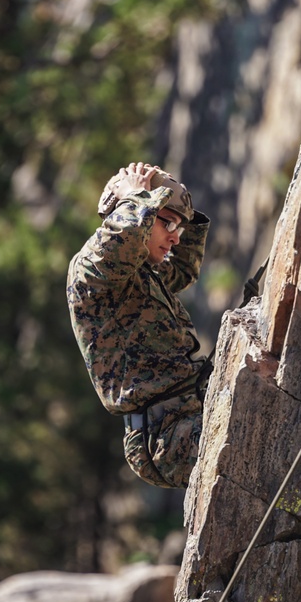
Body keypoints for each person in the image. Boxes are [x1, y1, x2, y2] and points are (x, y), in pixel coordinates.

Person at [67, 162, 211, 488]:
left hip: (189, 410)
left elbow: (185, 271)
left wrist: (183, 212)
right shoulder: (93, 269)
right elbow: (119, 241)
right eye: (168, 224)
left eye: (179, 229)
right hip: (165, 436)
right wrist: (136, 197)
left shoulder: (145, 271)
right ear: (129, 210)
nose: (175, 239)